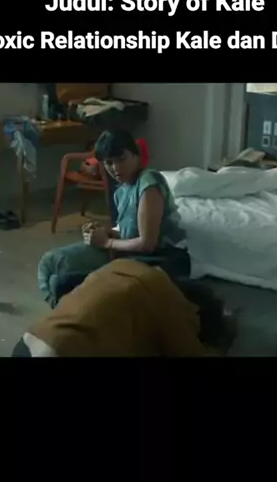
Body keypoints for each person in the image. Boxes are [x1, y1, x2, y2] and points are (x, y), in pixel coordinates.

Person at [38, 130, 190, 306]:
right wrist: (105, 233)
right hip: (130, 254)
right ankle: (63, 310)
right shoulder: (121, 191)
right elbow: (130, 232)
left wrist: (107, 242)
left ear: (135, 155)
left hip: (160, 259)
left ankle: (64, 311)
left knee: (60, 282)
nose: (115, 168)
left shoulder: (149, 183)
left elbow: (148, 243)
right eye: (109, 162)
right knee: (51, 271)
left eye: (121, 159)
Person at [14, 259, 235, 357]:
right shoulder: (170, 303)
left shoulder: (123, 266)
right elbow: (190, 353)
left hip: (27, 342)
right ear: (192, 307)